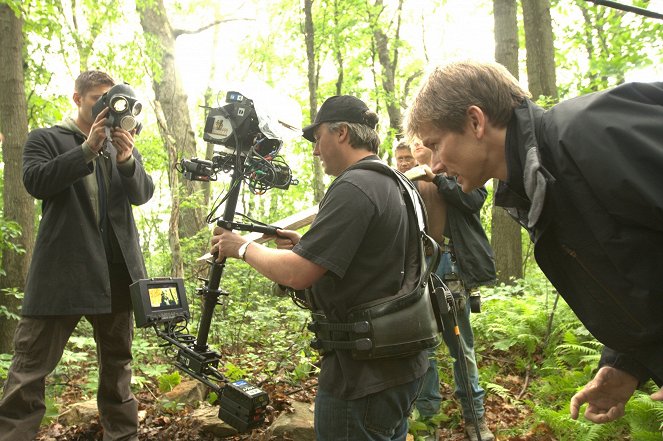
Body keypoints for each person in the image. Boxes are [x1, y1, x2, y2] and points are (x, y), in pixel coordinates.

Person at [404, 60, 663, 424]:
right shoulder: (534, 189)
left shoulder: (585, 133)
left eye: (435, 144)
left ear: (476, 122)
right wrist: (625, 363)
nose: (436, 164)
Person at [211, 95, 429, 441]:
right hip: (400, 367)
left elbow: (296, 274)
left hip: (360, 378)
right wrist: (308, 249)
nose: (315, 150)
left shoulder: (355, 186)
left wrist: (242, 247)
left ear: (341, 132)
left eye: (318, 139)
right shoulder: (397, 184)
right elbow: (377, 265)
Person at [0, 70, 154, 440]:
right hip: (61, 274)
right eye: (98, 99)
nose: (106, 108)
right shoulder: (46, 138)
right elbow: (36, 182)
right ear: (77, 99)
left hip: (116, 276)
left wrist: (127, 157)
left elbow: (143, 193)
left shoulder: (121, 146)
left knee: (118, 371)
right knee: (29, 372)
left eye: (112, 100)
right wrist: (86, 148)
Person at [397, 140, 496, 441]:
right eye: (400, 157)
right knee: (423, 348)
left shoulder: (452, 174)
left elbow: (474, 200)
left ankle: (475, 418)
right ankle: (428, 423)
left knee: (460, 345)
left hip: (450, 265)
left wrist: (436, 178)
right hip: (417, 269)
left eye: (410, 154)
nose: (405, 161)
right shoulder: (401, 185)